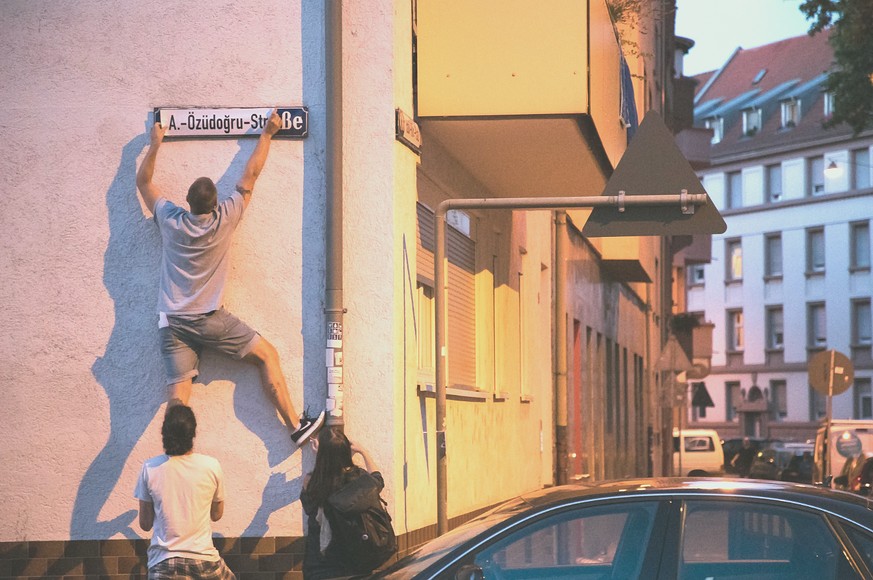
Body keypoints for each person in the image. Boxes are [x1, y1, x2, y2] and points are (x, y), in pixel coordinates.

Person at [136, 110, 323, 446]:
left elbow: (144, 183)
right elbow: (250, 176)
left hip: (173, 323)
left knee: (178, 402)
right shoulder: (226, 217)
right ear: (215, 203)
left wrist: (155, 144)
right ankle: (296, 425)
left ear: (187, 203)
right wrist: (267, 133)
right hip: (210, 321)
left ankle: (173, 460)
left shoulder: (170, 219)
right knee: (267, 355)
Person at [135, 405, 235, 579]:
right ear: (193, 433)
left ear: (164, 433)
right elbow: (216, 515)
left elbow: (145, 523)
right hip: (204, 561)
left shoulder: (150, 468)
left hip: (163, 563)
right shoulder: (211, 466)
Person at [300, 428, 383, 579]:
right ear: (346, 452)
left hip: (321, 566)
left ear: (321, 454)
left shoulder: (311, 482)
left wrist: (321, 455)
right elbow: (378, 480)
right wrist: (363, 451)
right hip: (356, 564)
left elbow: (309, 507)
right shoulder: (358, 479)